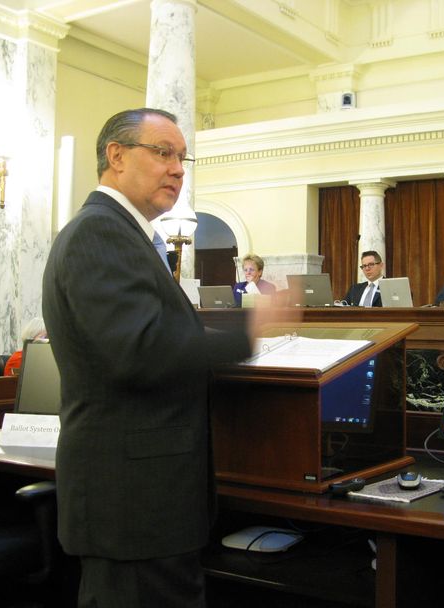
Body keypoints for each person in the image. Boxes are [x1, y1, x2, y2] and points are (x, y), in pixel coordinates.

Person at [42, 108, 283, 607]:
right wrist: (251, 331)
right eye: (163, 153)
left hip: (146, 500)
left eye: (182, 158)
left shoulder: (124, 235)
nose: (178, 169)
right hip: (132, 501)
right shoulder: (99, 232)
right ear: (116, 156)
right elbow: (140, 350)